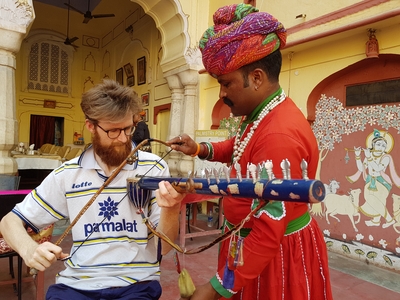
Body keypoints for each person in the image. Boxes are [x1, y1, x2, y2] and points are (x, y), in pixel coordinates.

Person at [168, 4, 332, 300]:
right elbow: (241, 148)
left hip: (273, 257)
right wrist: (199, 149)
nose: (222, 94)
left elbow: (268, 229)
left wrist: (216, 288)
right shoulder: (260, 114)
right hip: (250, 248)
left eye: (226, 83)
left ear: (256, 78)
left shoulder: (279, 134)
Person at [0, 79, 184, 300]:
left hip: (136, 283)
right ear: (91, 126)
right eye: (113, 131)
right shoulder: (67, 174)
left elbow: (164, 248)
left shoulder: (154, 166)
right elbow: (9, 221)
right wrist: (29, 250)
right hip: (77, 285)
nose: (124, 138)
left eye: (128, 128)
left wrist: (172, 209)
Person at [347, 129, 398, 228]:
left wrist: (369, 157)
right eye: (378, 144)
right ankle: (376, 221)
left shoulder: (386, 157)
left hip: (382, 181)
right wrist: (357, 156)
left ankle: (389, 219)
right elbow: (361, 168)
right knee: (376, 200)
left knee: (373, 198)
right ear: (373, 145)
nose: (381, 147)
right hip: (370, 180)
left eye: (383, 146)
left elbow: (378, 168)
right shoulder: (369, 155)